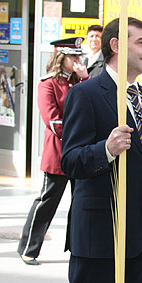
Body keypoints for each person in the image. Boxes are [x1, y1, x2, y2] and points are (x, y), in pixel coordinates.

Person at [59, 17, 142, 283]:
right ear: (115, 46)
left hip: (141, 240)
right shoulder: (85, 94)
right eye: (141, 43)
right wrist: (106, 150)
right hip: (100, 235)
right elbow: (70, 161)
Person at [17, 37, 88, 265]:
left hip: (81, 153)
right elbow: (53, 121)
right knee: (47, 201)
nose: (78, 60)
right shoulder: (47, 84)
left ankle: (79, 249)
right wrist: (80, 133)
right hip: (58, 153)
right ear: (61, 57)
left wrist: (85, 78)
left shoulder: (81, 83)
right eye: (73, 57)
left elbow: (94, 107)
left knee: (81, 203)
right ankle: (29, 248)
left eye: (79, 56)